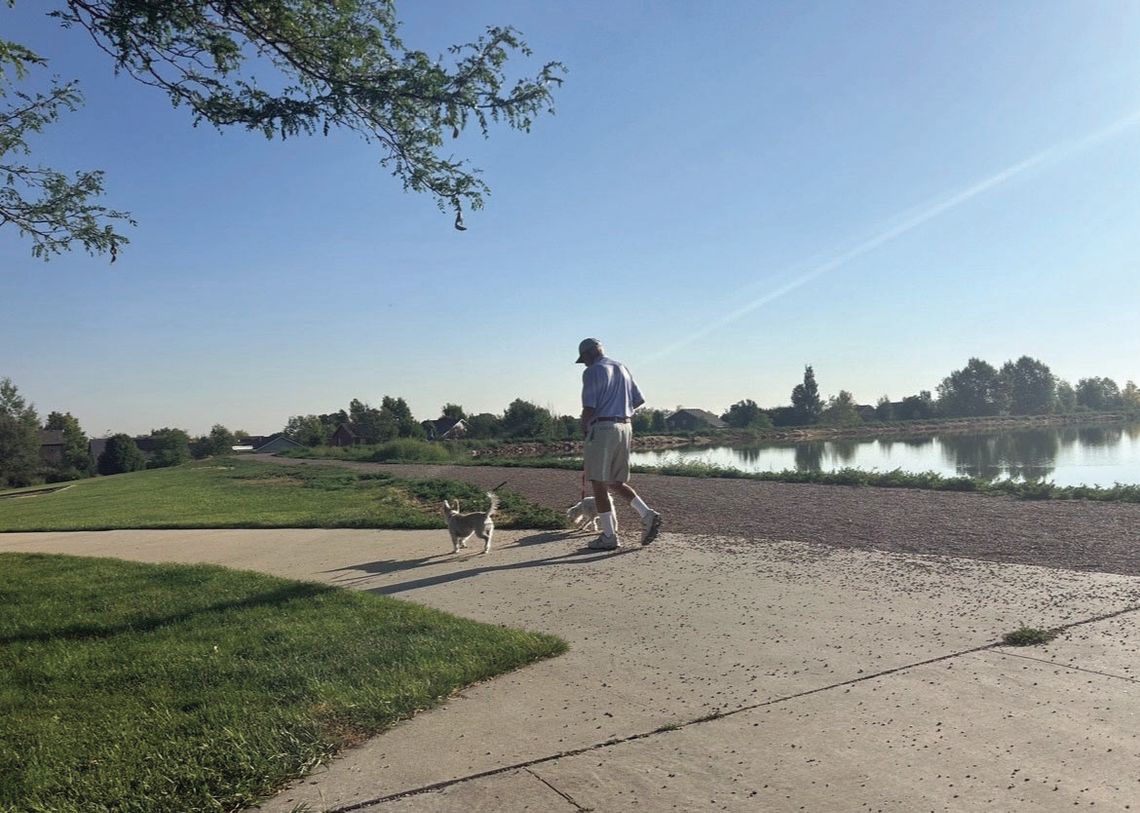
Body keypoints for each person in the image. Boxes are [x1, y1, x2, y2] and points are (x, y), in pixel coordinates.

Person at [576, 337, 663, 550]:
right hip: (625, 426)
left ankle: (608, 536)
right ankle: (647, 514)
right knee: (615, 480)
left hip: (603, 427)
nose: (584, 363)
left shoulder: (592, 371)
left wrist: (584, 427)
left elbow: (589, 406)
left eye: (584, 359)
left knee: (598, 482)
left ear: (588, 354)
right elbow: (638, 400)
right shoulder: (621, 367)